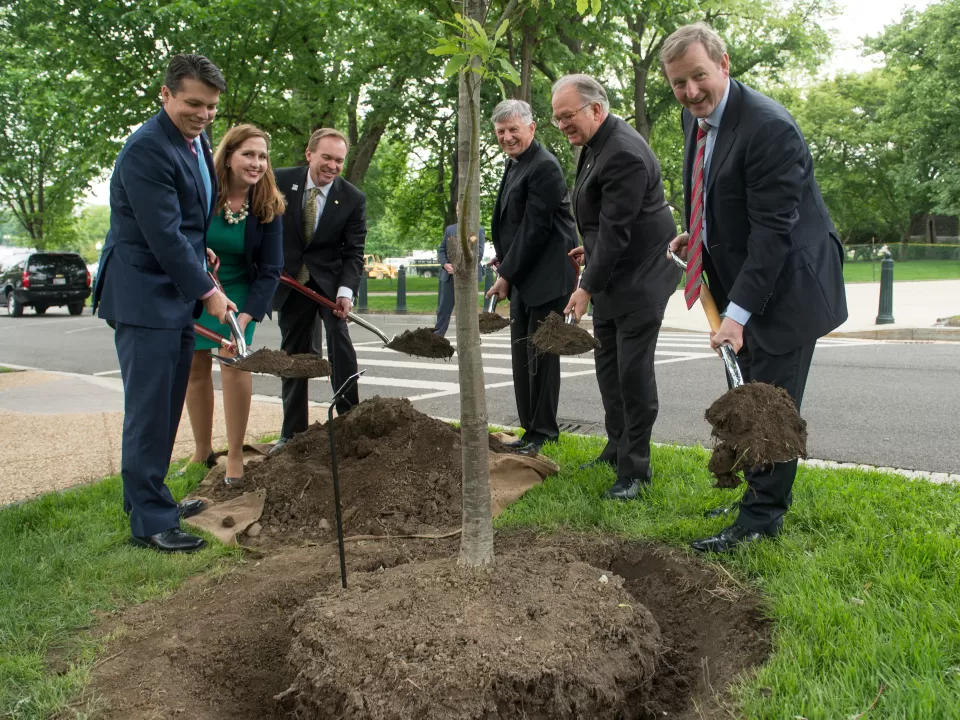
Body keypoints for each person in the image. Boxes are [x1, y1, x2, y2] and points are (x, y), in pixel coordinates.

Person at [661, 22, 847, 552]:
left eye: (698, 77)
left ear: (723, 64)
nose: (690, 92)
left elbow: (772, 233)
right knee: (747, 396)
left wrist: (737, 316)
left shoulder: (769, 128)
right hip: (743, 278)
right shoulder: (693, 118)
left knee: (770, 405)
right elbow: (711, 189)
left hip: (788, 288)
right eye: (678, 83)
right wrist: (694, 235)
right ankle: (752, 498)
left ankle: (761, 520)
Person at [93, 54, 235, 553]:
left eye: (212, 107)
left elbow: (186, 226)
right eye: (193, 103)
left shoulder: (192, 144)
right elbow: (163, 235)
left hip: (171, 294)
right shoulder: (146, 149)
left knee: (167, 402)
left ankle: (150, 497)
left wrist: (203, 251)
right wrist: (210, 293)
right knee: (149, 409)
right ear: (166, 94)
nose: (203, 114)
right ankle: (150, 522)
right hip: (142, 295)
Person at [553, 74, 681, 501]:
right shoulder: (594, 144)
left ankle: (636, 472)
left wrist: (585, 286)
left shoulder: (622, 151)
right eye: (556, 119)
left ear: (595, 107)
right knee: (609, 369)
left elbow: (617, 230)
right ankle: (616, 446)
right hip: (613, 274)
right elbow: (603, 222)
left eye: (566, 116)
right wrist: (588, 250)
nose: (563, 126)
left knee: (632, 373)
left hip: (641, 279)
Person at [183, 124, 286, 483]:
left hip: (243, 293)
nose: (256, 163)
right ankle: (201, 450)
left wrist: (243, 319)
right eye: (248, 154)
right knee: (195, 369)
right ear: (228, 157)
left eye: (262, 156)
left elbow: (271, 269)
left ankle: (236, 455)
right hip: (201, 288)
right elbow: (183, 240)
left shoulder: (268, 203)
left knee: (234, 362)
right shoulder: (202, 192)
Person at [484, 99, 577, 456]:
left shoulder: (544, 167)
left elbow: (536, 229)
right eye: (501, 132)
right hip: (525, 273)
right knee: (523, 356)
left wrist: (506, 275)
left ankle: (544, 432)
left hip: (548, 277)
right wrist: (505, 260)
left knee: (541, 357)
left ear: (532, 128)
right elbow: (515, 225)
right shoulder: (516, 164)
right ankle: (531, 429)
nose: (507, 137)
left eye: (513, 130)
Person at [270, 128, 367, 455]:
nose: (333, 165)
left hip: (330, 284)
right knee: (295, 355)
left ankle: (350, 421)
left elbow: (354, 252)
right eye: (326, 157)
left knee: (339, 342)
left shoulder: (352, 198)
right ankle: (292, 433)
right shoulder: (280, 181)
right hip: (291, 282)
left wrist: (345, 291)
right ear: (310, 154)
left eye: (339, 160)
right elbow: (262, 224)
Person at [434, 202, 486, 338]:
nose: (458, 212)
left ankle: (471, 339)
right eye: (457, 210)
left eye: (461, 210)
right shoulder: (449, 229)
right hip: (449, 276)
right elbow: (441, 250)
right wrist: (445, 264)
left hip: (468, 276)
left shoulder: (478, 229)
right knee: (443, 309)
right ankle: (438, 337)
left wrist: (459, 267)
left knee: (468, 310)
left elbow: (478, 253)